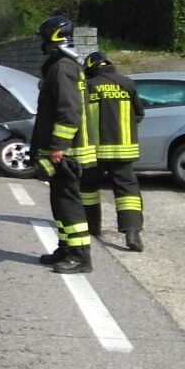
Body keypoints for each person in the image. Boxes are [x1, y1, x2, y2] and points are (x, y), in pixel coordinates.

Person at [33, 15, 97, 273]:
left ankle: (81, 256)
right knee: (59, 200)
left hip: (67, 151)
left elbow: (69, 111)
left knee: (68, 202)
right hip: (65, 150)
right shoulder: (65, 65)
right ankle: (66, 248)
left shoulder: (62, 68)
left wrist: (58, 145)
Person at [82, 51, 145, 252]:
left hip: (95, 151)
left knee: (89, 189)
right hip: (123, 150)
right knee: (128, 191)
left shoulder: (89, 87)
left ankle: (92, 227)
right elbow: (139, 114)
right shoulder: (127, 84)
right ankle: (132, 232)